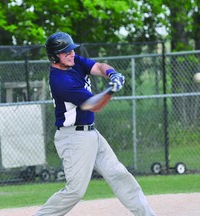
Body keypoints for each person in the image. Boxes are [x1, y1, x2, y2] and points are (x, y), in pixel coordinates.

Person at [35, 32, 156, 216]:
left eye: (71, 50)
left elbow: (98, 67)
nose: (71, 54)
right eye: (65, 52)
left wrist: (112, 73)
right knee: (75, 191)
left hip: (91, 134)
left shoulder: (74, 63)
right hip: (73, 138)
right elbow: (94, 105)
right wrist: (112, 90)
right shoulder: (60, 81)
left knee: (118, 174)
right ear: (54, 56)